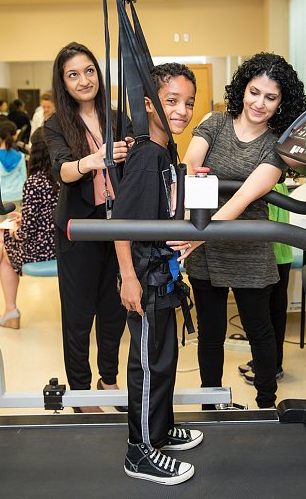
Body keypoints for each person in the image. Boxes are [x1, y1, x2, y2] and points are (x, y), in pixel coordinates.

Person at [168, 52, 306, 410]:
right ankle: (211, 402)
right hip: (206, 248)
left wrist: (201, 234)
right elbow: (191, 165)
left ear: (281, 103)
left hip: (246, 245)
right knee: (210, 333)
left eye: (270, 97)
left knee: (259, 331)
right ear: (242, 89)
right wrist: (190, 221)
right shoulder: (214, 124)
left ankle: (265, 403)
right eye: (254, 91)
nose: (259, 103)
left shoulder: (276, 144)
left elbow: (246, 195)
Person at [113, 63, 202, 485]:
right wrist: (128, 278)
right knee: (148, 366)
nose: (182, 111)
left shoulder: (166, 152)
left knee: (164, 362)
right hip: (144, 281)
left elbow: (163, 207)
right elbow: (122, 224)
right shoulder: (148, 154)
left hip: (163, 276)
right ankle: (140, 450)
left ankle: (161, 430)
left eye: (188, 103)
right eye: (171, 101)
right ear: (149, 103)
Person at [44, 41, 133, 414]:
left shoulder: (117, 117)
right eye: (73, 75)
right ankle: (81, 391)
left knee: (113, 309)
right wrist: (94, 160)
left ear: (99, 72)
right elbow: (63, 170)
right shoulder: (55, 124)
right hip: (79, 227)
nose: (84, 80)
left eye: (89, 70)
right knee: (78, 315)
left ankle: (108, 378)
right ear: (63, 83)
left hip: (118, 224)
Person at [0, 128, 59, 327]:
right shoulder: (66, 178)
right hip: (61, 244)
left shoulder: (35, 182)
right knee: (0, 238)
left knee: (3, 248)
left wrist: (16, 231)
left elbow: (26, 233)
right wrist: (25, 217)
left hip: (42, 251)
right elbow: (50, 217)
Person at [239, 181, 293, 383]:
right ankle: (264, 361)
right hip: (276, 256)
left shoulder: (271, 189)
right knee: (269, 315)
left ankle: (273, 367)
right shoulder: (274, 187)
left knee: (271, 315)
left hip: (274, 257)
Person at [0, 119, 27, 223]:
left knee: (1, 230)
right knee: (15, 230)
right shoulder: (20, 157)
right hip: (16, 197)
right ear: (15, 135)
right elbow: (24, 179)